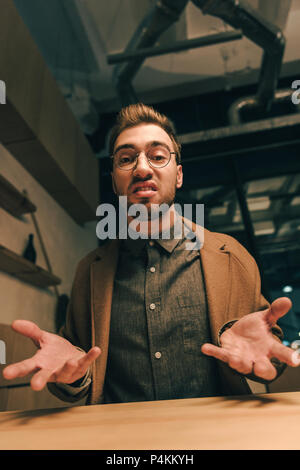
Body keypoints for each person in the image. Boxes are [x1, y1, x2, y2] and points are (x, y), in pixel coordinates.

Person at [2, 103, 299, 406]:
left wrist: (269, 360)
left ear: (179, 175)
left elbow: (267, 359)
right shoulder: (89, 271)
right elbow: (76, 367)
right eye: (126, 159)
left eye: (157, 157)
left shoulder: (231, 256)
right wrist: (73, 377)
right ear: (115, 179)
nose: (142, 169)